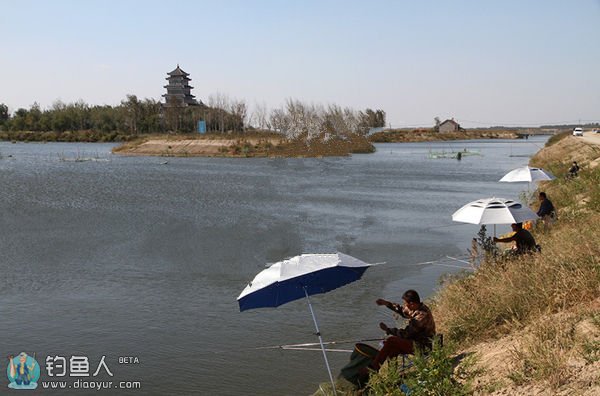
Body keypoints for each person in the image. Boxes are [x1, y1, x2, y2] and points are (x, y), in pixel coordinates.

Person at [368, 290, 436, 371]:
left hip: (423, 347)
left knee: (391, 340)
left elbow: (405, 334)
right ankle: (392, 375)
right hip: (415, 342)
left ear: (412, 304)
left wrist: (388, 330)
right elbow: (401, 309)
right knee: (393, 349)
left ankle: (373, 368)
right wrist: (386, 303)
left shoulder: (421, 316)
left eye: (405, 303)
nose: (405, 305)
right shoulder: (416, 308)